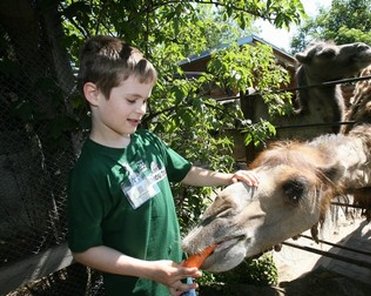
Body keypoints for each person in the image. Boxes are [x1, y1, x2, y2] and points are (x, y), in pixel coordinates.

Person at [67, 35, 259, 296]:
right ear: (94, 94)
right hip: (140, 290)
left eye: (145, 100)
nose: (142, 109)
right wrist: (151, 271)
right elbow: (85, 250)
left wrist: (227, 178)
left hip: (180, 278)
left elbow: (186, 171)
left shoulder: (148, 142)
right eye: (132, 100)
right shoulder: (90, 173)